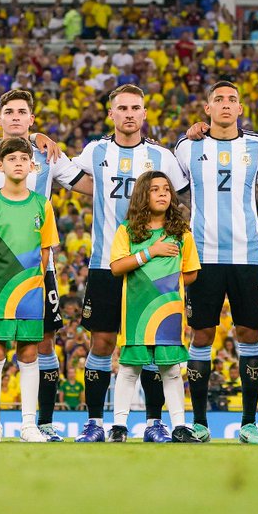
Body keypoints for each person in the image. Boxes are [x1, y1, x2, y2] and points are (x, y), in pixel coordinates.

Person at [0, 88, 90, 441]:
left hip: (37, 268)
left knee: (43, 342)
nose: (15, 117)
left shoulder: (48, 153)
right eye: (9, 112)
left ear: (32, 119)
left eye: (22, 112)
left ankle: (41, 423)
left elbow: (84, 184)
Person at [73, 85, 186, 443]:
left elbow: (180, 200)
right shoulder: (95, 151)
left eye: (135, 107)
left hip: (153, 270)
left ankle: (155, 422)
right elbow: (66, 177)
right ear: (111, 114)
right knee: (103, 343)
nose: (128, 114)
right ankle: (95, 422)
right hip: (106, 263)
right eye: (121, 108)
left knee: (152, 341)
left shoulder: (162, 156)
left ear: (144, 113)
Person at [174, 81, 258, 444]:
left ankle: (248, 423)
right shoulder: (187, 147)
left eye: (232, 100)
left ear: (240, 109)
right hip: (202, 257)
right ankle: (200, 423)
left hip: (248, 256)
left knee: (250, 334)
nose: (225, 105)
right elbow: (176, 192)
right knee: (201, 334)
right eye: (218, 99)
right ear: (207, 108)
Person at [0, 137, 59, 442]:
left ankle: (28, 425)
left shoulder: (41, 204)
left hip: (32, 291)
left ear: (33, 165)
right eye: (11, 159)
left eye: (24, 158)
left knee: (29, 353)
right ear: (0, 166)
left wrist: (30, 280)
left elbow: (45, 251)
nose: (18, 162)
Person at [108, 171, 200, 443]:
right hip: (136, 311)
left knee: (171, 369)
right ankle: (119, 427)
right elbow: (116, 267)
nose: (162, 194)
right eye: (154, 189)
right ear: (142, 195)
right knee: (129, 369)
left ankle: (180, 426)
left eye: (166, 189)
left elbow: (191, 271)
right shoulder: (126, 229)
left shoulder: (182, 232)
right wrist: (152, 252)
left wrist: (166, 284)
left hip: (168, 311)